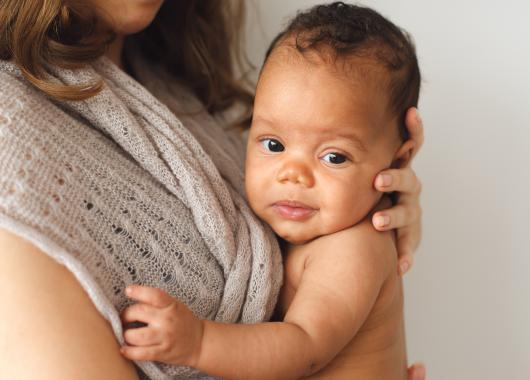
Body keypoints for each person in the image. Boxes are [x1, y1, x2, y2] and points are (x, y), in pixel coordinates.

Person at [0, 1, 424, 379]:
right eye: (274, 146)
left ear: (398, 160)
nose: (293, 175)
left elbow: (303, 346)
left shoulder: (183, 86)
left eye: (334, 157)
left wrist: (201, 343)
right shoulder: (15, 138)